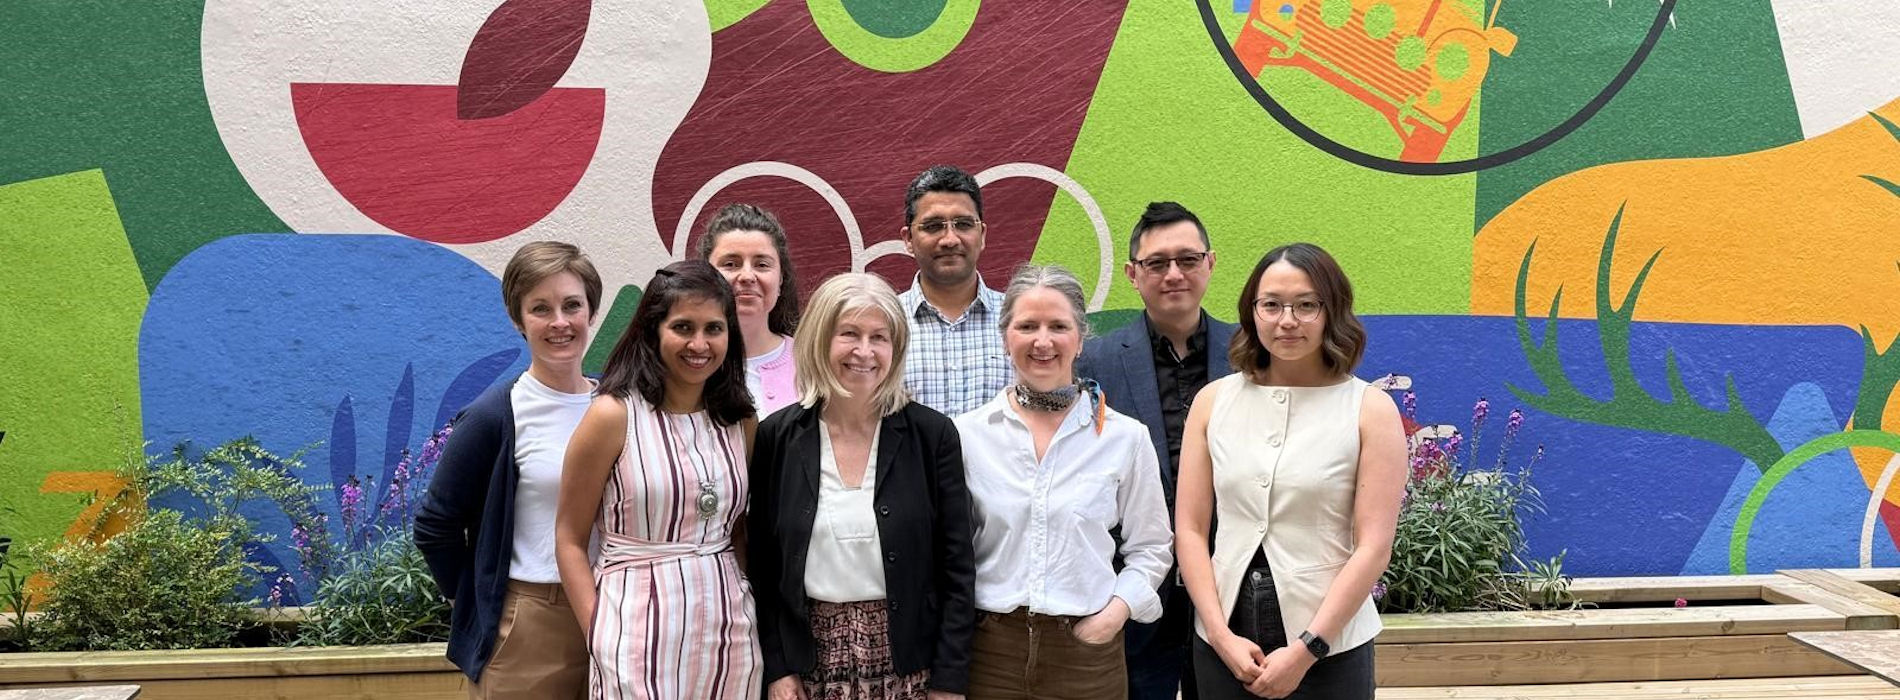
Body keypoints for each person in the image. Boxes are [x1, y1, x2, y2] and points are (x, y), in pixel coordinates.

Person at [1174, 243, 1406, 700]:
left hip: (1329, 644)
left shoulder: (1370, 410)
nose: (1287, 321)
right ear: (1252, 310)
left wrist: (1308, 649)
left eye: (1306, 305)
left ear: (1331, 310)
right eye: (1272, 304)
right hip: (1225, 638)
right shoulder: (1212, 402)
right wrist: (1220, 636)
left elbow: (1374, 546)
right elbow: (1190, 529)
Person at [749, 272, 977, 700]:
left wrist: (949, 681)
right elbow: (762, 567)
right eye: (849, 334)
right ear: (820, 339)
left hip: (910, 664)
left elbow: (957, 571)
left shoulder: (932, 436)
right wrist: (777, 667)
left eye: (879, 337)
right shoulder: (777, 437)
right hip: (808, 664)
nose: (865, 352)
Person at [955, 264, 1173, 700]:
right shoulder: (966, 435)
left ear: (1080, 337)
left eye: (1058, 326)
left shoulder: (1123, 437)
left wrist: (1113, 615)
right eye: (1027, 326)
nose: (1042, 341)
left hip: (1086, 657)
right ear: (1005, 337)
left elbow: (1151, 548)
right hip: (991, 653)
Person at [554, 260, 762, 699]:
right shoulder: (612, 416)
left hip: (730, 630)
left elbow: (741, 530)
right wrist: (600, 632)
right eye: (683, 327)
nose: (699, 344)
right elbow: (569, 539)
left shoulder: (740, 421)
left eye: (714, 328)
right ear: (653, 330)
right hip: (634, 629)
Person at [416, 241, 602, 699]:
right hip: (530, 622)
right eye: (541, 308)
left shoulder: (617, 405)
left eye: (571, 305)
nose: (560, 322)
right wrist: (476, 601)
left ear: (591, 312)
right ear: (519, 320)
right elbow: (435, 524)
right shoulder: (496, 415)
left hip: (616, 613)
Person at [1075, 202, 1234, 700]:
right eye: (1156, 263)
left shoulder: (1254, 353)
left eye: (1187, 259)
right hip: (1133, 582)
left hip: (1233, 576)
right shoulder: (1093, 360)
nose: (1173, 274)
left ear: (1210, 263)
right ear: (1132, 274)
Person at [896, 165, 1010, 417]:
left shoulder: (1018, 321)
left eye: (963, 224)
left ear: (982, 235)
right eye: (933, 226)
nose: (950, 239)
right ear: (908, 239)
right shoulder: (883, 324)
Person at [699, 202, 802, 415]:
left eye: (762, 265)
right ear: (705, 275)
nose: (747, 276)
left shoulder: (812, 362)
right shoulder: (686, 362)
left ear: (781, 279)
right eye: (730, 264)